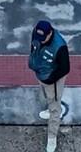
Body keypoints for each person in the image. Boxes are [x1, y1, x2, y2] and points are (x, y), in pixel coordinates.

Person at [29, 19, 70, 151]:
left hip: (53, 78)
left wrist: (51, 80)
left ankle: (52, 137)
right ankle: (50, 108)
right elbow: (33, 48)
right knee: (47, 97)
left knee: (55, 106)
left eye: (43, 38)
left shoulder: (60, 46)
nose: (40, 41)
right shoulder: (37, 35)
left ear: (50, 33)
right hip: (41, 74)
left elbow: (65, 68)